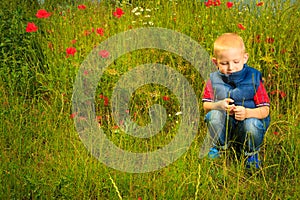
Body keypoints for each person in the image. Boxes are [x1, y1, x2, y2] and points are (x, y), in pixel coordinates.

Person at [202, 33, 270, 169]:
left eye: (236, 62)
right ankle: (219, 148)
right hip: (226, 124)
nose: (231, 68)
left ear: (245, 58)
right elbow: (206, 106)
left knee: (252, 124)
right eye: (224, 63)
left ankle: (250, 154)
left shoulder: (253, 78)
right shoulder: (213, 80)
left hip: (248, 121)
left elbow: (265, 110)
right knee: (214, 115)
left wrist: (247, 113)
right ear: (215, 62)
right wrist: (218, 105)